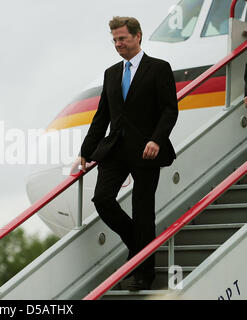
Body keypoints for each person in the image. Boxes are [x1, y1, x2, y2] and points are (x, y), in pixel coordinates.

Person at [72, 16, 178, 291]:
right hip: (115, 150)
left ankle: (144, 273)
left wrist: (157, 139)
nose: (118, 44)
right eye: (115, 40)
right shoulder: (111, 73)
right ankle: (136, 242)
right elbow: (102, 116)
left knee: (143, 211)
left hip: (147, 151)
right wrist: (85, 151)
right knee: (102, 199)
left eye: (123, 38)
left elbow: (169, 109)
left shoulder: (159, 68)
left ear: (138, 36)